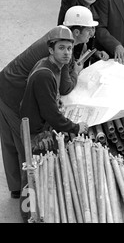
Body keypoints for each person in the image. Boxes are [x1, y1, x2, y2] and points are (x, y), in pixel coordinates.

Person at [0, 5, 95, 199]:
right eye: (89, 29)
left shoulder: (58, 39)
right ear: (76, 31)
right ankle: (27, 197)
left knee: (12, 141)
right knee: (25, 145)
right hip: (13, 92)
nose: (91, 34)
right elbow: (65, 88)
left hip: (5, 81)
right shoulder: (63, 49)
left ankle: (16, 187)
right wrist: (75, 70)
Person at [20, 26, 88, 155]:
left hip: (37, 126)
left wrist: (55, 100)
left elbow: (47, 96)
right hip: (36, 136)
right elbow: (51, 114)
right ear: (51, 50)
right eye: (61, 48)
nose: (67, 53)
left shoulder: (51, 65)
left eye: (69, 48)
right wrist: (76, 127)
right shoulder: (45, 75)